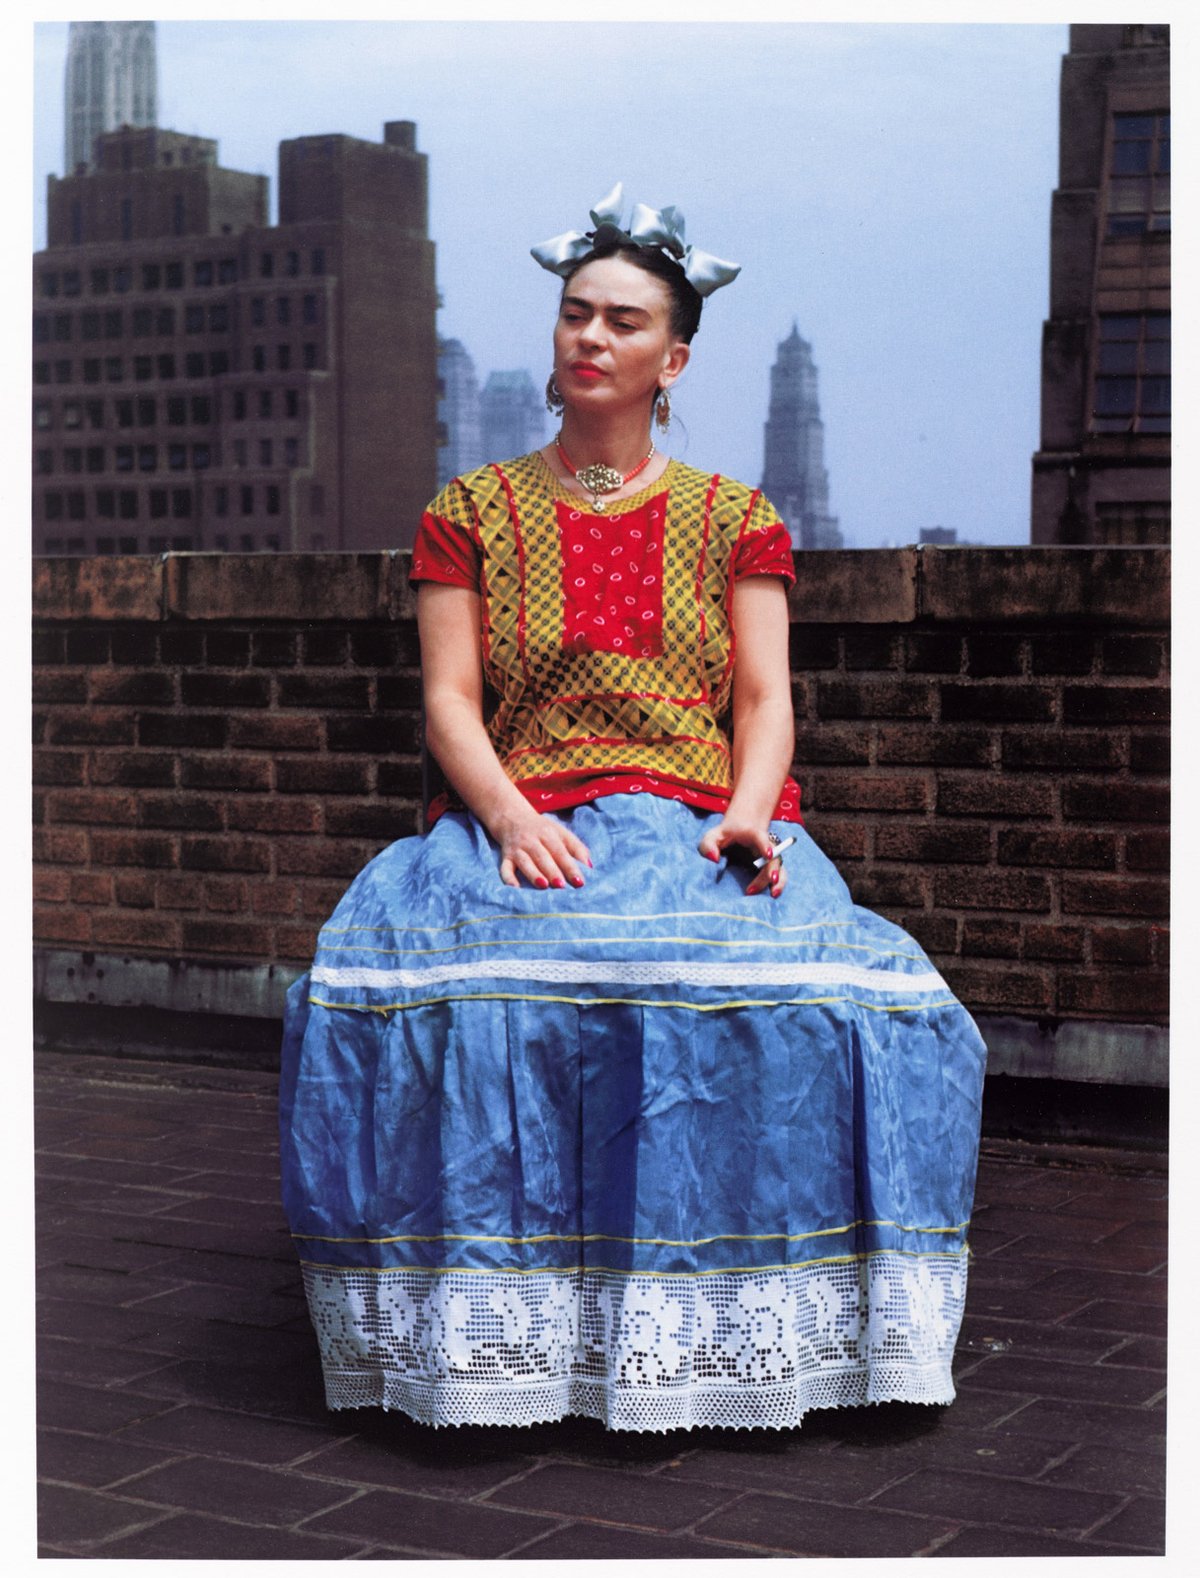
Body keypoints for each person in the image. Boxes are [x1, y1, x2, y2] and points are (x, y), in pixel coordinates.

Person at [279, 184, 987, 1434]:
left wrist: (754, 813)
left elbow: (764, 700)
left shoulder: (734, 519)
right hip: (528, 807)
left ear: (675, 358)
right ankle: (508, 1339)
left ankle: (722, 1330)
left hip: (703, 816)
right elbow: (450, 702)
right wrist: (504, 820)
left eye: (621, 321)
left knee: (815, 1004)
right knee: (479, 997)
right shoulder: (472, 514)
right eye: (573, 316)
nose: (589, 339)